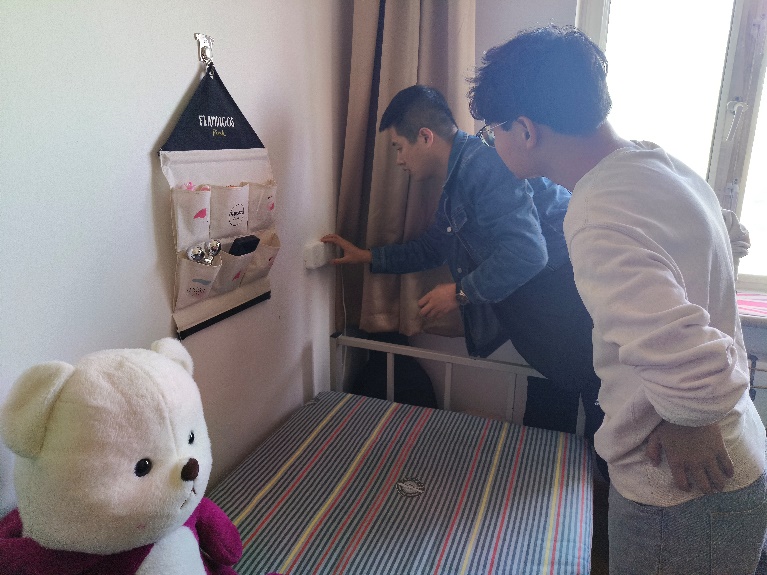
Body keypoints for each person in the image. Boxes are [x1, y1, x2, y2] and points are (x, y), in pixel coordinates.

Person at [468, 25, 767, 574]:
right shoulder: (659, 165)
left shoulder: (597, 212)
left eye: (492, 132)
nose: (493, 145)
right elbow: (728, 242)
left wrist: (692, 413)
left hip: (682, 487)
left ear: (526, 130)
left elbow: (692, 367)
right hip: (734, 456)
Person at [322, 85, 607, 477]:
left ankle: (600, 506)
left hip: (567, 315)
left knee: (602, 434)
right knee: (548, 442)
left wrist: (459, 292)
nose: (399, 160)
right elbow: (432, 249)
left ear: (426, 137)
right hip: (546, 322)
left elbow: (529, 252)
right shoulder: (459, 180)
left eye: (399, 148)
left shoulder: (481, 167)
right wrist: (368, 257)